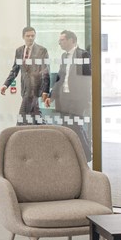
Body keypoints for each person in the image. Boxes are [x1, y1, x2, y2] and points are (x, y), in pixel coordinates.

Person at [42, 30, 92, 160]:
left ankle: (86, 155)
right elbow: (60, 78)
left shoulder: (83, 54)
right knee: (66, 126)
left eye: (62, 40)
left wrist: (88, 99)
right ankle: (75, 154)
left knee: (75, 125)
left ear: (71, 40)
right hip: (64, 98)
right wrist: (51, 96)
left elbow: (88, 78)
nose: (59, 42)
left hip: (77, 99)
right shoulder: (64, 56)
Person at [0, 26, 49, 123]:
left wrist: (45, 90)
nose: (30, 38)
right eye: (28, 36)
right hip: (25, 87)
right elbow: (15, 69)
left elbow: (46, 71)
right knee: (35, 115)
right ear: (23, 37)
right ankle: (44, 133)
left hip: (35, 88)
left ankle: (18, 133)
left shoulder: (42, 50)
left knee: (23, 115)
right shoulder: (19, 51)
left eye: (32, 36)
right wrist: (6, 85)